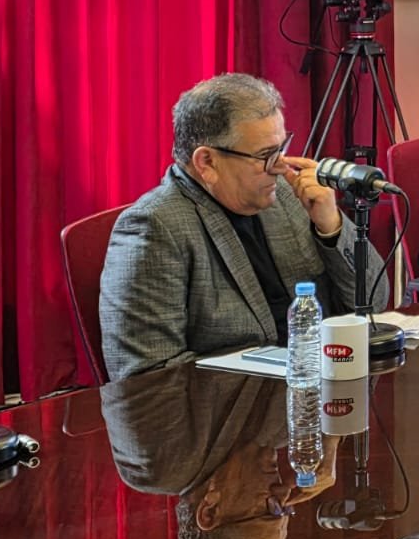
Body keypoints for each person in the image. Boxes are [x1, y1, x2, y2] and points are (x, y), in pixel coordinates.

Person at [99, 74, 389, 381]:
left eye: (282, 147)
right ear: (207, 162)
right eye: (265, 155)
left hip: (317, 388)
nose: (281, 166)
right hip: (238, 405)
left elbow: (374, 304)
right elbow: (150, 379)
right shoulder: (153, 228)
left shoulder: (288, 197)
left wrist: (331, 228)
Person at [101, 362, 339, 539]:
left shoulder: (158, 465)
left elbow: (142, 342)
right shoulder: (283, 432)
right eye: (285, 508)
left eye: (270, 510)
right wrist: (331, 435)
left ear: (210, 510)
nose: (283, 491)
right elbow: (347, 357)